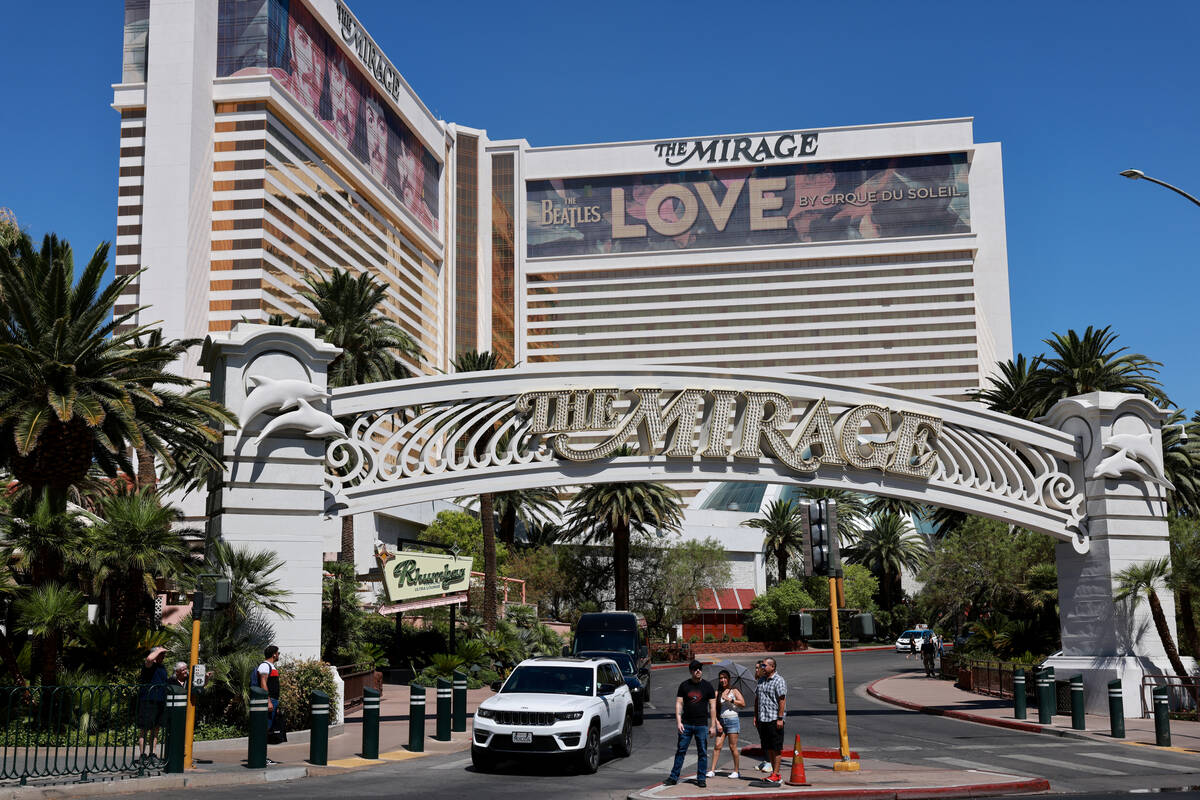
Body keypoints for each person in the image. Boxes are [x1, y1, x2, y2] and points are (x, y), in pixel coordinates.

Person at [664, 660, 716, 788]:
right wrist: (678, 721)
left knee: (702, 752)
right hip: (686, 724)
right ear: (691, 671)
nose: (698, 671)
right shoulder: (684, 685)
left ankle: (701, 778)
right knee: (681, 751)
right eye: (695, 669)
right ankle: (673, 777)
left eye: (699, 668)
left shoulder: (708, 686)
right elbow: (679, 704)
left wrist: (713, 725)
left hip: (701, 725)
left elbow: (713, 707)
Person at [753, 657, 787, 785]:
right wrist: (756, 716)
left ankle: (776, 774)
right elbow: (757, 700)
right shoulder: (761, 680)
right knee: (769, 748)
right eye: (761, 665)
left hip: (774, 719)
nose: (762, 667)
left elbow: (782, 700)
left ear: (772, 667)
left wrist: (780, 718)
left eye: (765, 665)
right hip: (763, 719)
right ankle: (773, 774)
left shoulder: (779, 680)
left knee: (776, 748)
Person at [707, 669, 745, 779]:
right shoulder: (717, 693)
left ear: (729, 679)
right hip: (722, 722)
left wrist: (730, 699)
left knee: (733, 747)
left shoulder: (734, 691)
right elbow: (713, 709)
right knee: (717, 746)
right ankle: (712, 770)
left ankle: (736, 771)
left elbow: (743, 703)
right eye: (721, 678)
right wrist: (717, 723)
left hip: (733, 721)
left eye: (725, 677)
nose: (722, 680)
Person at [137, 647, 169, 763]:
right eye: (161, 654)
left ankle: (153, 753)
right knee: (144, 729)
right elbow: (149, 659)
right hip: (148, 700)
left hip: (160, 701)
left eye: (163, 655)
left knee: (156, 729)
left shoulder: (162, 667)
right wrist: (158, 650)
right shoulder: (149, 665)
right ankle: (142, 755)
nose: (163, 657)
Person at [254, 645, 285, 761]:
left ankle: (263, 756)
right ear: (274, 654)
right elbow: (263, 683)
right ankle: (261, 757)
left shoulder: (271, 666)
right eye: (278, 653)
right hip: (270, 700)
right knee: (264, 728)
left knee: (268, 728)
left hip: (273, 701)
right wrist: (268, 701)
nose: (279, 655)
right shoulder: (264, 666)